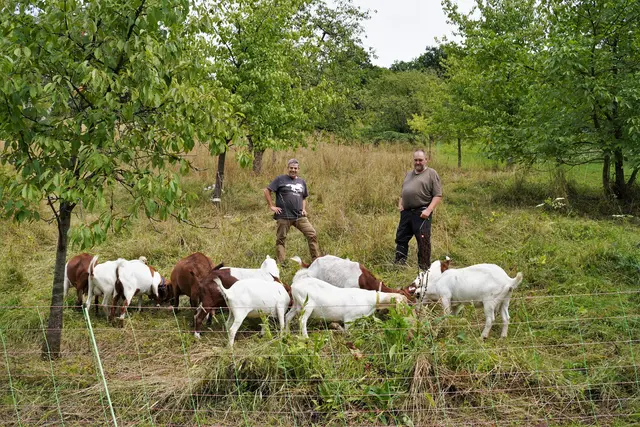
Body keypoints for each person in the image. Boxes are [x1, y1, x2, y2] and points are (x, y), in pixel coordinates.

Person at [264, 158, 321, 264]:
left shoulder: (301, 182)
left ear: (298, 169)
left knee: (312, 234)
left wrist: (304, 209)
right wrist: (271, 206)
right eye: (291, 168)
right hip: (284, 216)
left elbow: (303, 197)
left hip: (299, 216)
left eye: (295, 168)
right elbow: (267, 190)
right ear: (288, 168)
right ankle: (282, 263)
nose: (293, 170)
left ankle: (316, 261)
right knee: (281, 239)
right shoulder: (280, 179)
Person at [395, 149, 443, 270]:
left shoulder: (431, 173)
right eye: (416, 160)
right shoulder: (409, 174)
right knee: (401, 238)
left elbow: (438, 195)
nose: (418, 162)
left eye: (420, 160)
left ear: (426, 160)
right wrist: (401, 203)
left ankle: (424, 269)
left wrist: (429, 210)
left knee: (423, 241)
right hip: (406, 213)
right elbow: (404, 191)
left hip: (421, 213)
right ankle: (399, 264)